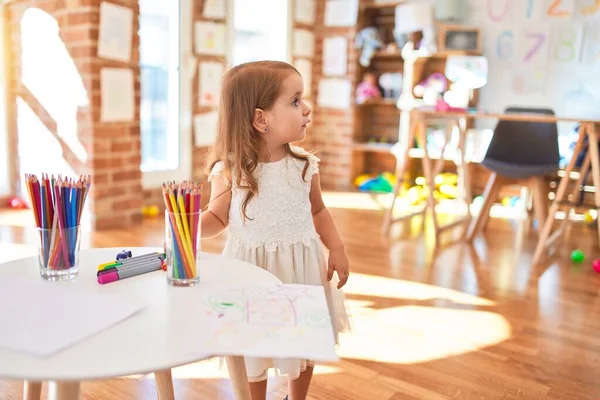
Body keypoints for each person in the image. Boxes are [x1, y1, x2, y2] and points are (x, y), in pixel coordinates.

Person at [201, 60, 351, 400]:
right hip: (250, 273)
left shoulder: (303, 165)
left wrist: (337, 247)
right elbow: (217, 218)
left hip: (302, 270)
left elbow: (318, 209)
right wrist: (186, 227)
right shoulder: (231, 171)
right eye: (296, 101)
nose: (307, 108)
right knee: (254, 342)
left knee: (305, 339)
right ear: (260, 119)